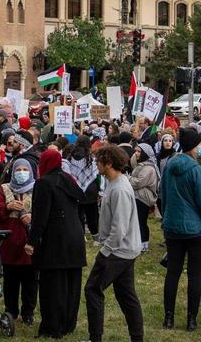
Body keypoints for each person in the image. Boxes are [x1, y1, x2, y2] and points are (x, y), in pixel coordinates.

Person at [159, 126, 201, 332]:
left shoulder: (168, 167)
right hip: (197, 230)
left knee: (172, 273)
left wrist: (166, 219)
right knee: (195, 275)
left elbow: (163, 195)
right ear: (194, 146)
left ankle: (168, 318)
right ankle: (191, 319)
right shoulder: (196, 170)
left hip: (173, 227)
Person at [83, 145, 143, 342]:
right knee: (126, 295)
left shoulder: (119, 189)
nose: (96, 164)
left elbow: (120, 228)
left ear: (108, 163)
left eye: (99, 161)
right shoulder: (113, 183)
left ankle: (95, 338)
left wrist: (105, 251)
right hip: (124, 249)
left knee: (93, 289)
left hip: (118, 251)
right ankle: (137, 338)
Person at [26, 146, 86, 340]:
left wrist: (32, 241)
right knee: (71, 284)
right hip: (75, 237)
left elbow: (40, 217)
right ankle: (68, 323)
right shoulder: (68, 180)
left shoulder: (44, 183)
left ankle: (53, 326)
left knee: (53, 285)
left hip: (56, 239)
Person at [0, 157, 36, 325]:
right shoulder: (5, 189)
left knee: (30, 280)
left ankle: (28, 312)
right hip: (9, 241)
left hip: (28, 241)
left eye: (25, 170)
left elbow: (43, 209)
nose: (22, 173)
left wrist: (32, 217)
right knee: (10, 280)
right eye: (19, 170)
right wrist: (7, 207)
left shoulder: (36, 188)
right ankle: (11, 311)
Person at [129, 143, 159, 252]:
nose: (136, 153)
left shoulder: (148, 168)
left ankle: (143, 243)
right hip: (138, 196)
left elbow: (138, 182)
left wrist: (128, 178)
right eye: (135, 151)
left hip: (143, 198)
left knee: (141, 221)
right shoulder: (141, 165)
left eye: (139, 151)